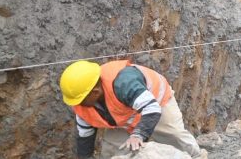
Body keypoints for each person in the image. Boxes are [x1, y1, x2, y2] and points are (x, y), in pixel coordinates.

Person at [59, 60, 205, 159]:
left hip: (157, 102)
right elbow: (85, 137)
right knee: (111, 151)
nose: (77, 105)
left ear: (95, 92)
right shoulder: (84, 104)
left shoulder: (123, 82)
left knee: (174, 136)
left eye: (80, 100)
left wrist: (138, 134)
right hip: (124, 117)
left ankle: (197, 156)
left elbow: (151, 108)